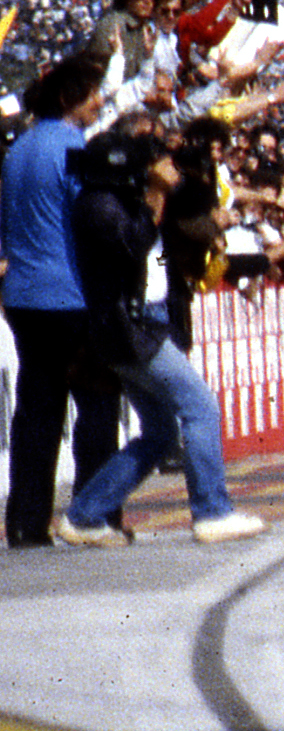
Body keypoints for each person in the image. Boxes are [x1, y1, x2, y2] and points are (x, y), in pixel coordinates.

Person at [49, 124, 264, 546]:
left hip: (136, 327)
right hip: (132, 329)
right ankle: (212, 512)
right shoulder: (97, 205)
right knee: (201, 409)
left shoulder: (115, 198)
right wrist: (155, 193)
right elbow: (133, 242)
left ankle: (86, 516)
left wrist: (175, 183)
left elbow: (192, 207)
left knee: (161, 432)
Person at [6, 53, 123, 547]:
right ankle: (92, 515)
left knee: (37, 410)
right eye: (92, 93)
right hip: (71, 294)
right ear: (66, 99)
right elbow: (92, 219)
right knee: (96, 407)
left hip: (23, 294)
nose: (99, 102)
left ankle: (25, 521)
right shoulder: (76, 148)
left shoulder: (18, 150)